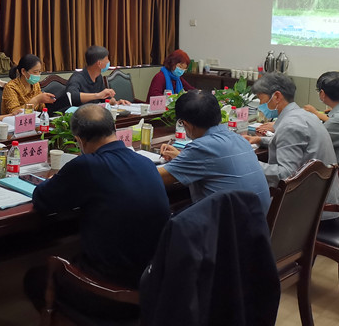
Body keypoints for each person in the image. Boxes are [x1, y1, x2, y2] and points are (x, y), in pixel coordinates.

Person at [24, 104, 170, 319]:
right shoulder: (145, 163)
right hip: (152, 285)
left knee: (35, 279)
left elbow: (42, 199)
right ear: (114, 129)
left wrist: (57, 180)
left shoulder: (86, 165)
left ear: (79, 140)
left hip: (111, 295)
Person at [244, 73, 339, 218]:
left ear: (277, 96)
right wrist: (259, 140)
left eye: (261, 98)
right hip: (321, 201)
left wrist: (248, 163)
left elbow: (286, 174)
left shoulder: (291, 125)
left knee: (241, 207)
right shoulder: (305, 115)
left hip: (307, 213)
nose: (260, 105)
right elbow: (296, 144)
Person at [158, 90, 271, 213]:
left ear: (186, 124)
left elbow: (158, 177)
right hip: (260, 220)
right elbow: (212, 162)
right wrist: (181, 157)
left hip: (230, 224)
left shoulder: (201, 147)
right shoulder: (239, 139)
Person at [65, 45, 130, 106]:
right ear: (99, 63)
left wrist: (116, 102)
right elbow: (72, 96)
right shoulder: (77, 78)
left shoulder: (98, 77)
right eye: (107, 59)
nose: (108, 62)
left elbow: (103, 99)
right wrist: (97, 95)